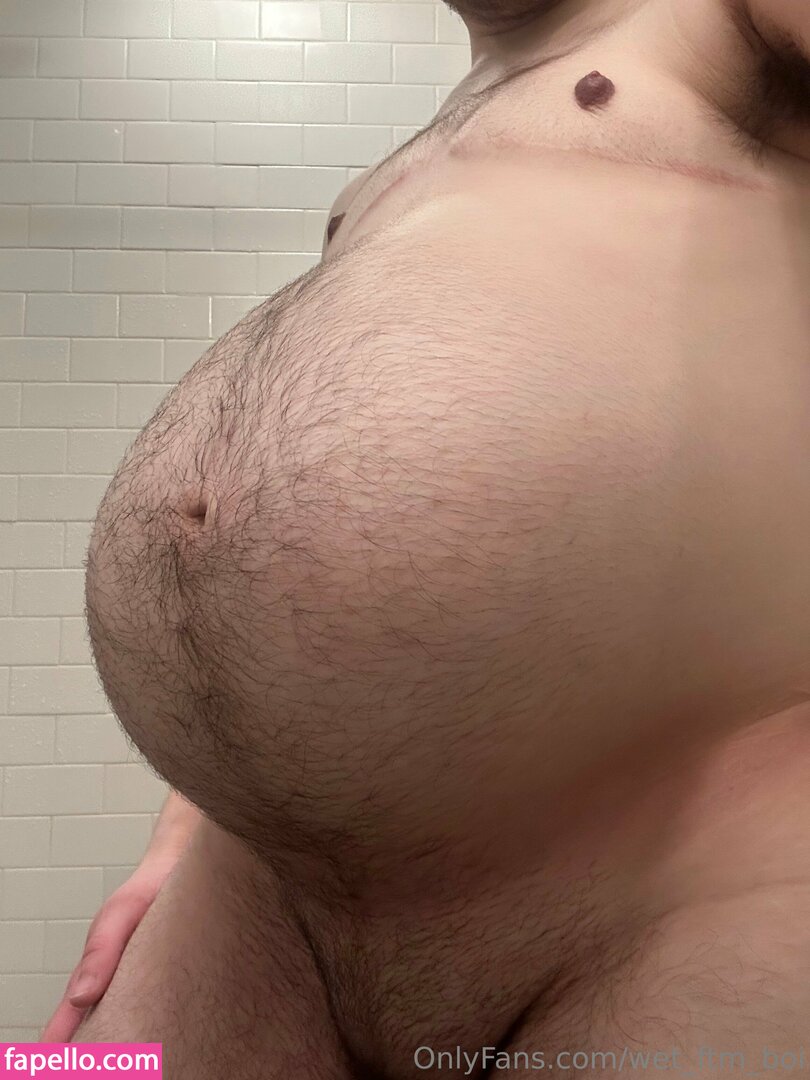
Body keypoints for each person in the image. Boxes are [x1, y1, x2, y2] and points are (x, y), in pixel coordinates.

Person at [43, 0, 810, 1074]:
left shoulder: (721, 26)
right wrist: (187, 822)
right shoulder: (426, 143)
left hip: (679, 877)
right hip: (254, 891)